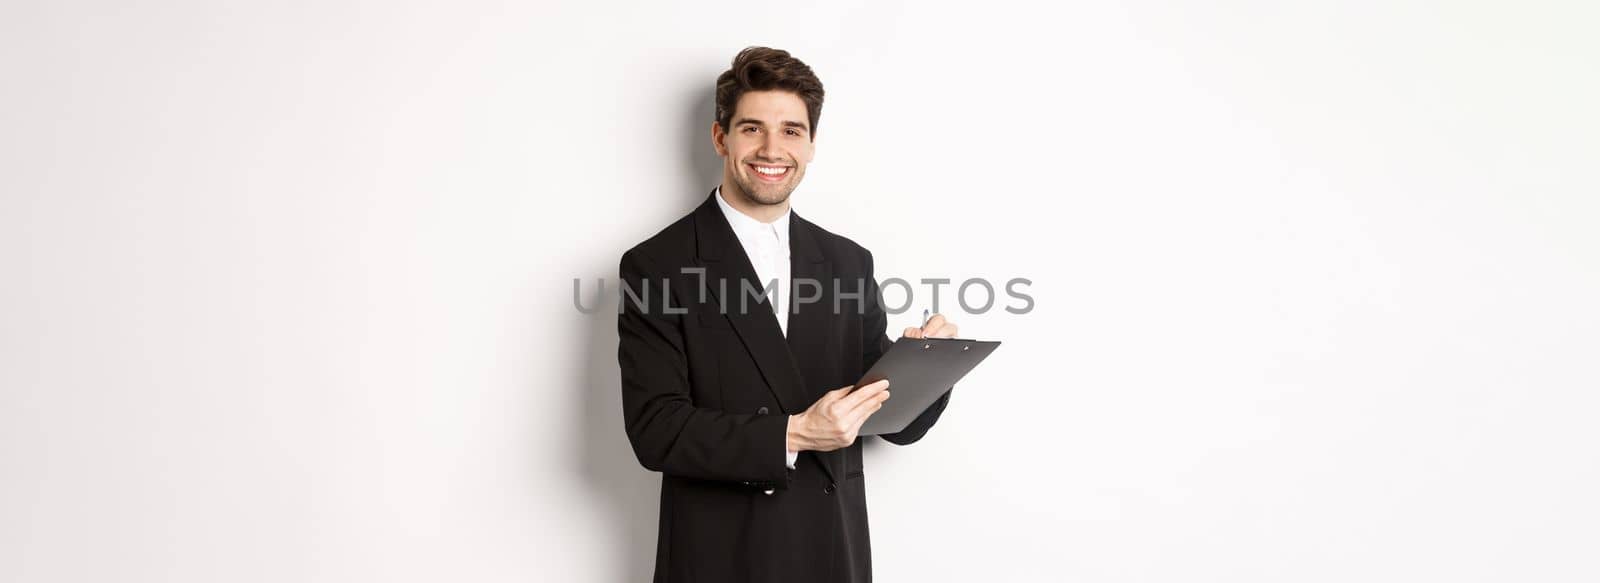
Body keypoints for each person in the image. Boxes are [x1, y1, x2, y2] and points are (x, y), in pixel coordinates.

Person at [616, 46, 960, 583]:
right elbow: (654, 429)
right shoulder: (657, 264)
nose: (772, 148)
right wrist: (795, 434)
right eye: (752, 128)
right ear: (720, 137)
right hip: (720, 556)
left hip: (831, 552)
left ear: (812, 144)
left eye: (792, 131)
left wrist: (924, 368)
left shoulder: (848, 261)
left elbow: (892, 423)